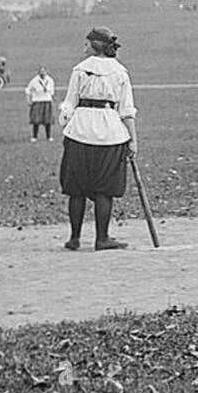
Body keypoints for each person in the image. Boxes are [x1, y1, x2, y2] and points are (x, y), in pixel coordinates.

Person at [58, 27, 138, 251]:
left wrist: (65, 122)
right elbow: (126, 110)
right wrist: (133, 140)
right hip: (110, 134)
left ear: (95, 45)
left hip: (79, 132)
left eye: (87, 43)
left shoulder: (80, 70)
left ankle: (74, 238)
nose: (84, 47)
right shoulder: (121, 72)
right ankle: (102, 238)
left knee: (77, 188)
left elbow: (69, 103)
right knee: (105, 189)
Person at [25, 66, 56, 142]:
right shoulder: (34, 81)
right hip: (37, 101)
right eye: (41, 71)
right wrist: (29, 100)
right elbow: (28, 90)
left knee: (47, 120)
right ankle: (34, 136)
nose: (42, 73)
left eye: (44, 71)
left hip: (47, 101)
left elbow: (52, 92)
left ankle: (49, 137)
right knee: (36, 120)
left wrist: (51, 100)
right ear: (38, 73)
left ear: (46, 72)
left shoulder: (50, 80)